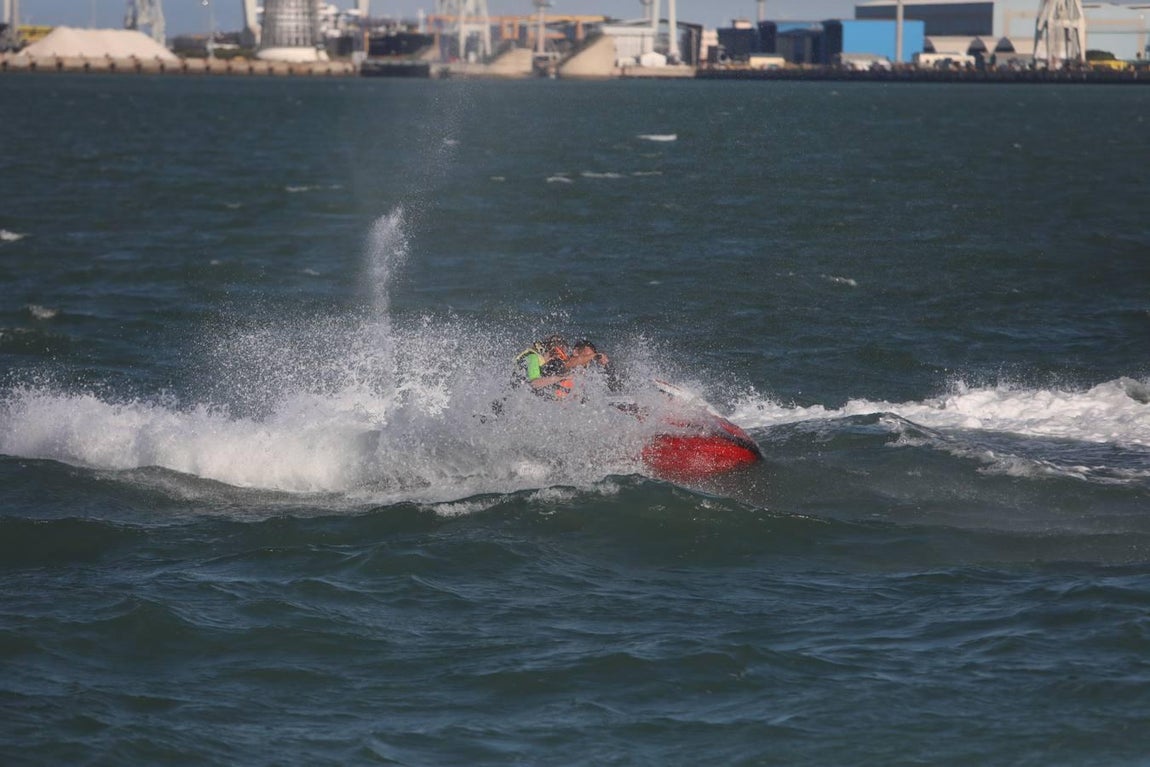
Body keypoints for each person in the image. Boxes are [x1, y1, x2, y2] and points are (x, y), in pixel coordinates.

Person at [514, 334, 575, 399]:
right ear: (553, 352)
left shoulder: (542, 363)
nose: (560, 361)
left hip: (524, 393)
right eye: (560, 356)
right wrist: (561, 377)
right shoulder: (533, 357)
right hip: (516, 394)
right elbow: (534, 383)